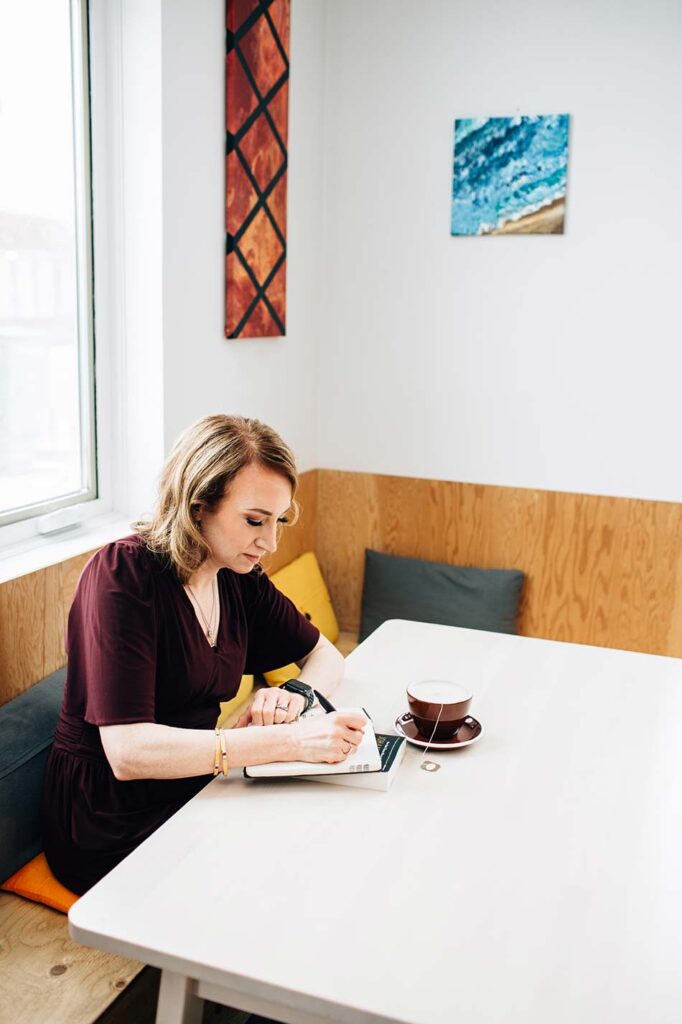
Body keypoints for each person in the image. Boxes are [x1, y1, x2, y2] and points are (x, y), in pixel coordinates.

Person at [43, 414, 366, 895]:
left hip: (194, 782)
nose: (270, 542)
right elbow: (128, 754)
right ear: (198, 508)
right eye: (255, 521)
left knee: (325, 833)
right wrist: (292, 742)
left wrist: (294, 695)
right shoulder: (123, 575)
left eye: (278, 522)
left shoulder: (237, 576)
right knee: (288, 868)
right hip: (109, 818)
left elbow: (326, 657)